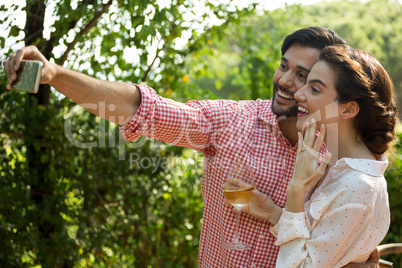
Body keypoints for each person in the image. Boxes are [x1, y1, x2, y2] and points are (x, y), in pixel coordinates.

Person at [3, 27, 378, 267]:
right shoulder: (233, 122)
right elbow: (143, 108)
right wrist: (55, 74)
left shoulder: (340, 160)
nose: (285, 82)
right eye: (284, 66)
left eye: (304, 77)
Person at [269, 44, 396, 267]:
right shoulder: (335, 167)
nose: (298, 94)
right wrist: (270, 211)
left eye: (315, 89)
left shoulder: (359, 186)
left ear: (347, 110)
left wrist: (296, 190)